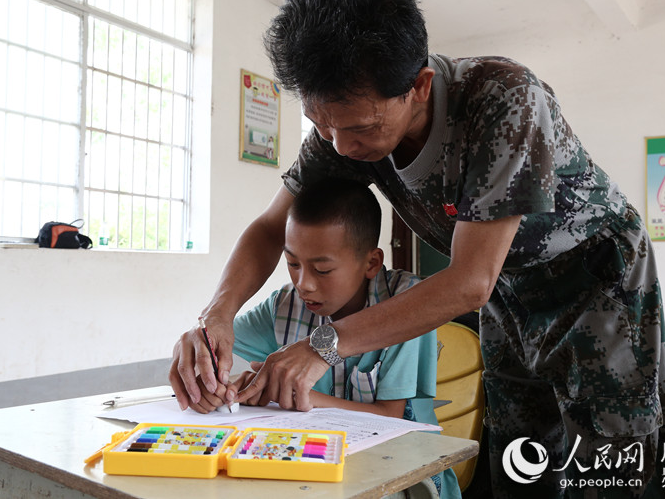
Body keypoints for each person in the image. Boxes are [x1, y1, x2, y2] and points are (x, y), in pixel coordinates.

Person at [169, 0, 665, 497]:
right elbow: (273, 225)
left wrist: (322, 345)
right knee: (521, 450)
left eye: (361, 128)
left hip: (593, 278)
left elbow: (468, 281)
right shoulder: (341, 125)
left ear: (419, 87)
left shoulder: (502, 100)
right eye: (321, 124)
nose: (339, 146)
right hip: (508, 289)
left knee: (610, 458)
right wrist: (216, 317)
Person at [179, 178, 459, 497]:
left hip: (403, 476)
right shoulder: (284, 306)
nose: (304, 284)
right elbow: (218, 344)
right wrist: (210, 371)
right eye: (293, 264)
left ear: (372, 263)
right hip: (317, 469)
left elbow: (390, 418)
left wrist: (290, 393)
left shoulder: (408, 304)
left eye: (322, 270)